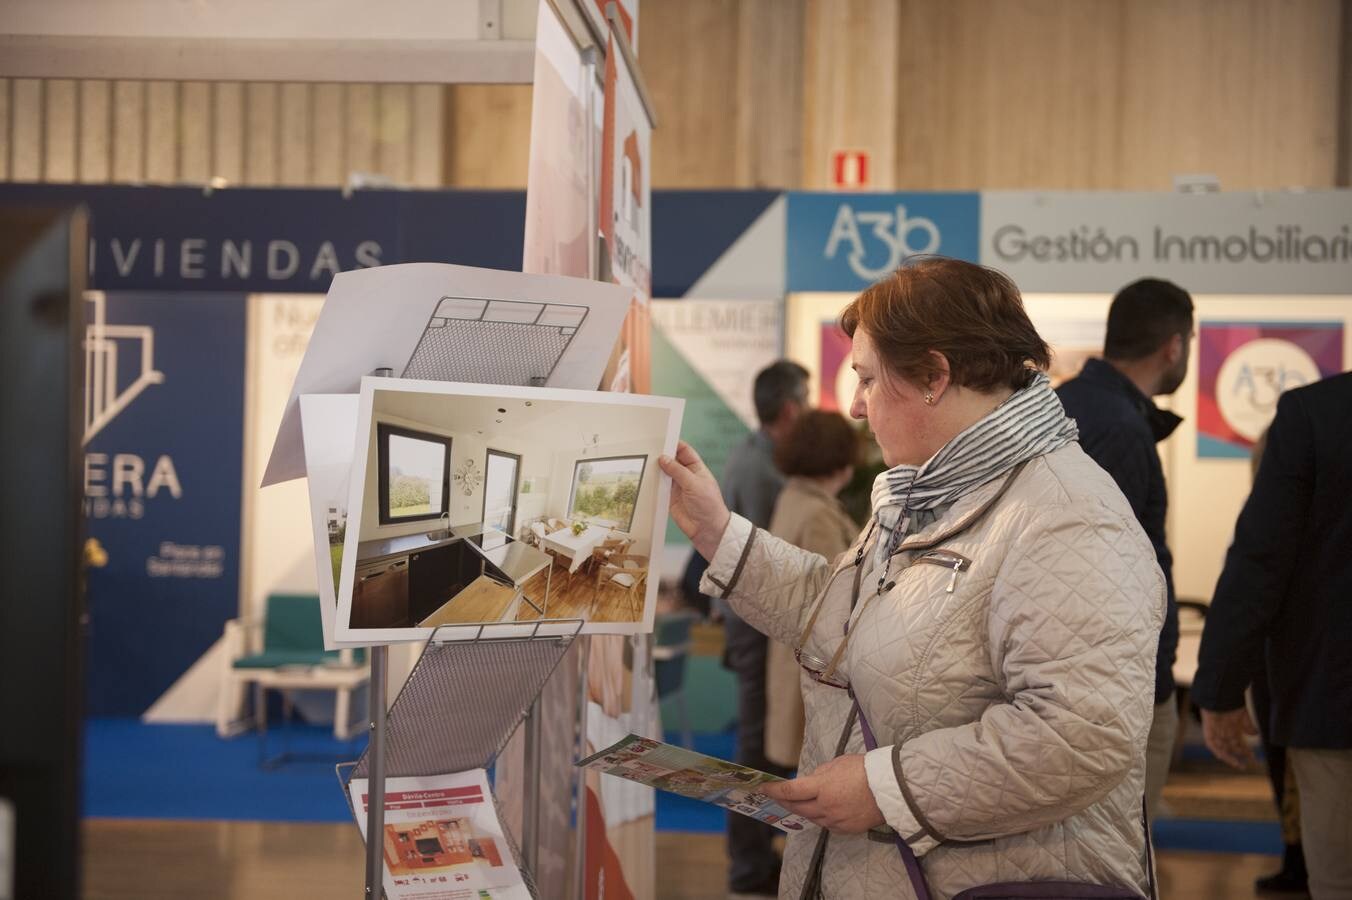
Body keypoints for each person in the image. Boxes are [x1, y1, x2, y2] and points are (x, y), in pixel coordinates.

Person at [659, 256, 1164, 899]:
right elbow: (842, 609)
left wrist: (884, 787)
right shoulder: (930, 495)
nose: (855, 406)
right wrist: (716, 533)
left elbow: (1081, 734)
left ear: (933, 375)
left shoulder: (1067, 518)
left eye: (867, 379)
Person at [1192, 372, 1352, 900]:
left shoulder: (1319, 413)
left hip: (1337, 702)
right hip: (1332, 700)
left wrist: (1218, 691)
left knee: (1339, 877)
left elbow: (1261, 562)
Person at [1055, 277, 1191, 819]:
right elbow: (1113, 573)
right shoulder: (1120, 428)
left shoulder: (1071, 404)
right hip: (1116, 688)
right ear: (1174, 346)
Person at [715, 359, 809, 896]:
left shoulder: (757, 455)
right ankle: (749, 867)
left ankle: (755, 859)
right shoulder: (764, 471)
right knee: (754, 747)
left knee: (758, 743)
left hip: (751, 624)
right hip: (753, 627)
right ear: (791, 408)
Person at [764, 410, 861, 770]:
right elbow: (833, 592)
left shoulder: (793, 498)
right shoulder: (818, 513)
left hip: (790, 647)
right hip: (814, 659)